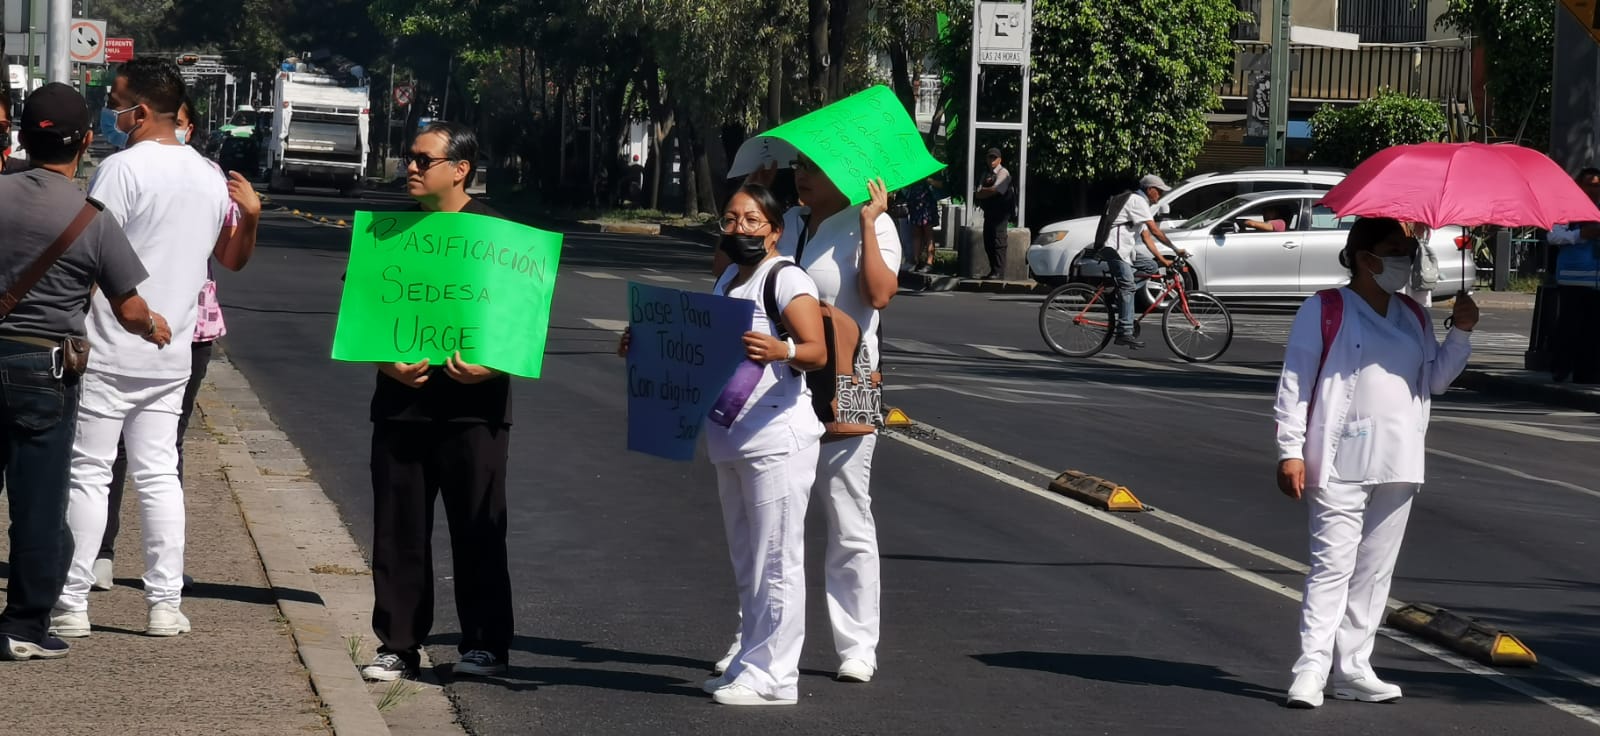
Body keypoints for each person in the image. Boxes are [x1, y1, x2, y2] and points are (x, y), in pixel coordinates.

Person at [53, 57, 244, 640]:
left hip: (110, 345)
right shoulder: (209, 175)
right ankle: (164, 604)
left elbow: (91, 257)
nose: (111, 112)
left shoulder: (120, 170)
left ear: (139, 112)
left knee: (90, 473)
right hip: (174, 348)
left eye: (116, 102)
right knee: (160, 475)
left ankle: (72, 602)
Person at [623, 184, 829, 706]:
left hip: (777, 437)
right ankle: (749, 660)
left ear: (775, 231)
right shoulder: (727, 280)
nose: (740, 229)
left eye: (752, 220)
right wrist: (644, 344)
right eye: (731, 219)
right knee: (748, 559)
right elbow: (699, 352)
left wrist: (782, 349)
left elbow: (816, 350)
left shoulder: (785, 278)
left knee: (777, 560)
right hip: (730, 436)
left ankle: (776, 676)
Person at [1274, 217, 1477, 708]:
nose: (1405, 260)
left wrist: (1462, 331)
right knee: (1332, 567)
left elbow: (1436, 380)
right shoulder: (1326, 308)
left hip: (1399, 460)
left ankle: (1353, 669)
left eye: (1408, 250)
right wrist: (1290, 450)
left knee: (1373, 572)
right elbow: (1296, 381)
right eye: (1395, 251)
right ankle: (1311, 670)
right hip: (1339, 460)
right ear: (1366, 259)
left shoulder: (1414, 315)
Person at [0, 82, 170, 660]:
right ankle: (23, 625)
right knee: (39, 504)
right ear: (87, 141)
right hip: (43, 370)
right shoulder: (91, 220)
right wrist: (155, 327)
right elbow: (129, 310)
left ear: (23, 137)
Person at [358, 122, 516, 683]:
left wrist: (492, 366)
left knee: (478, 528)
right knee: (398, 529)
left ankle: (485, 644)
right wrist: (386, 362)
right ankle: (398, 645)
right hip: (401, 409)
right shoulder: (387, 234)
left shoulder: (498, 237)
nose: (411, 167)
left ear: (460, 169)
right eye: (411, 157)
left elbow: (520, 323)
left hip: (476, 411)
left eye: (424, 160)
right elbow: (365, 314)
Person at [89, 95, 260, 592]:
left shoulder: (206, 176)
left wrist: (250, 215)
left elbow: (231, 257)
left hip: (183, 331)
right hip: (132, 325)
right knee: (123, 457)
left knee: (148, 456)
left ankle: (154, 573)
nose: (177, 131)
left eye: (184, 123)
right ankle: (108, 557)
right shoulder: (132, 170)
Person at [740, 153, 898, 685]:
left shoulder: (870, 223)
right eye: (799, 166)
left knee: (848, 510)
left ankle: (858, 646)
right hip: (780, 379)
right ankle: (756, 639)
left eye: (814, 167)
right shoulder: (787, 222)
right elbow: (732, 275)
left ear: (846, 173)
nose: (801, 176)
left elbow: (880, 294)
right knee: (770, 518)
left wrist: (870, 224)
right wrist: (754, 198)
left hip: (854, 380)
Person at [1101, 175, 1184, 348]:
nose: (1160, 195)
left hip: (1125, 250)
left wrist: (1162, 260)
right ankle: (1124, 332)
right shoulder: (1138, 201)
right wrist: (1176, 249)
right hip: (1114, 248)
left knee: (1151, 266)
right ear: (1150, 189)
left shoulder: (1141, 204)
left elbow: (1146, 237)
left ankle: (1119, 293)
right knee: (1128, 286)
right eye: (1159, 191)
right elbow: (1155, 231)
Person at [1548, 167, 1600, 384]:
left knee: (1593, 329)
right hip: (1572, 278)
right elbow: (1554, 237)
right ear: (1579, 186)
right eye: (1590, 185)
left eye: (1597, 186)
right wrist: (1581, 234)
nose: (1594, 190)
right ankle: (1561, 367)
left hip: (1596, 280)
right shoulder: (1567, 208)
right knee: (1569, 326)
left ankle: (1587, 373)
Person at [974, 148, 1013, 280]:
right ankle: (993, 270)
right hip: (989, 212)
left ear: (999, 160)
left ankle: (999, 271)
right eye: (990, 157)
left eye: (994, 158)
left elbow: (996, 190)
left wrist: (985, 191)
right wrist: (986, 191)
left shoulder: (1003, 173)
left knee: (998, 240)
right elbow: (978, 193)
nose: (991, 160)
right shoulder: (985, 174)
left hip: (1001, 213)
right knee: (988, 240)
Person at [903, 177, 942, 273]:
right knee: (916, 233)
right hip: (915, 203)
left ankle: (929, 262)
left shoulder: (930, 173)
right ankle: (916, 261)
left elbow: (941, 184)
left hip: (927, 204)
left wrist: (930, 180)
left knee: (928, 233)